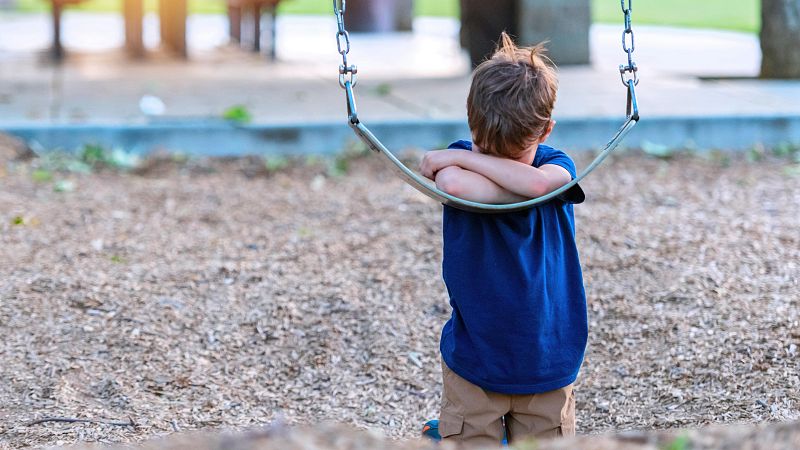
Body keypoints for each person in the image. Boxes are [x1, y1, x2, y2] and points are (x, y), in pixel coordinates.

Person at [419, 32, 587, 447]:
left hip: (547, 357)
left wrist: (467, 156)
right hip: (476, 356)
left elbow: (537, 186)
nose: (492, 159)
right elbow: (456, 186)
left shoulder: (556, 167)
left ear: (546, 132)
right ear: (471, 123)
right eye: (484, 149)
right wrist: (503, 172)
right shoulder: (463, 172)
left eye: (510, 155)